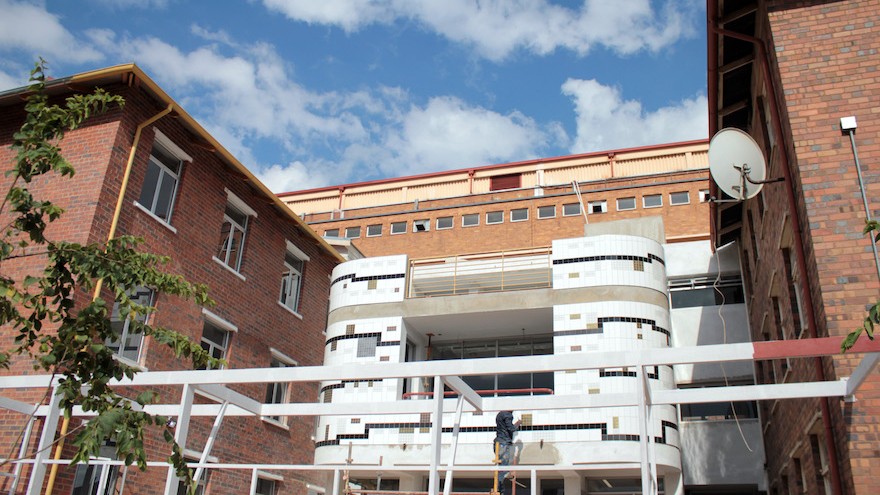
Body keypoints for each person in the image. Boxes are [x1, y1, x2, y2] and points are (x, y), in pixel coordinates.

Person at [494, 410, 521, 495]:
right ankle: (499, 490)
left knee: (501, 468)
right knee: (503, 468)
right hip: (503, 443)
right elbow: (511, 428)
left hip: (498, 443)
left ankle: (499, 488)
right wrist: (518, 423)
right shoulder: (507, 415)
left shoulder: (499, 414)